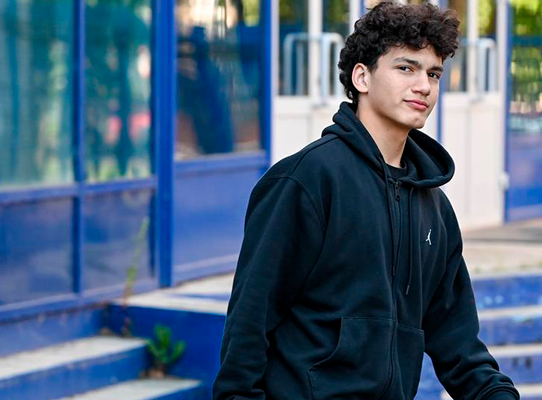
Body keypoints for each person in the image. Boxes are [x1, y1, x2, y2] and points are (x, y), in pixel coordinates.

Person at [212, 2, 520, 399]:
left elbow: (459, 345)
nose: (424, 86)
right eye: (405, 68)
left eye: (433, 74)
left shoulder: (434, 208)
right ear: (362, 77)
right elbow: (249, 327)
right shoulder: (306, 181)